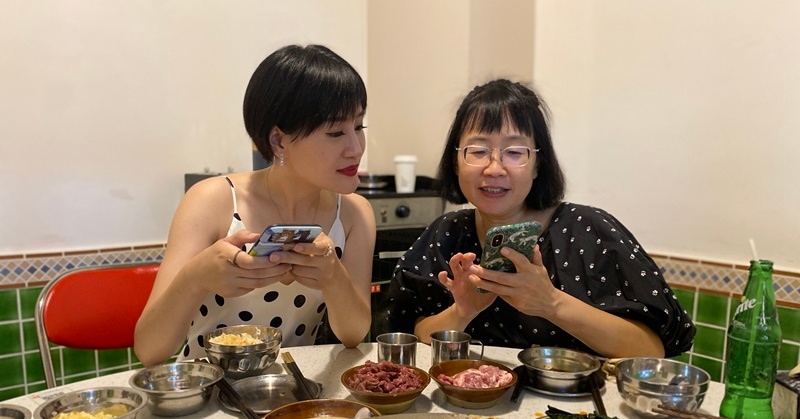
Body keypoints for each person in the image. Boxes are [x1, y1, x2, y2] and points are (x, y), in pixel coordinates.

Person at [384, 79, 694, 358]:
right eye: (478, 151)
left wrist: (551, 303)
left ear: (537, 165)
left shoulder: (590, 231)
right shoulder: (447, 233)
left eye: (514, 152)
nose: (494, 168)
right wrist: (462, 312)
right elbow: (416, 333)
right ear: (456, 162)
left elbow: (650, 351)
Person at [134, 44, 375, 366]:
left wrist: (333, 277)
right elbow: (150, 351)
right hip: (207, 385)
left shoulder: (354, 213)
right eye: (335, 132)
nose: (356, 148)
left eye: (358, 126)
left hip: (292, 387)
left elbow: (354, 334)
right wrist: (196, 277)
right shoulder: (213, 200)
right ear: (278, 140)